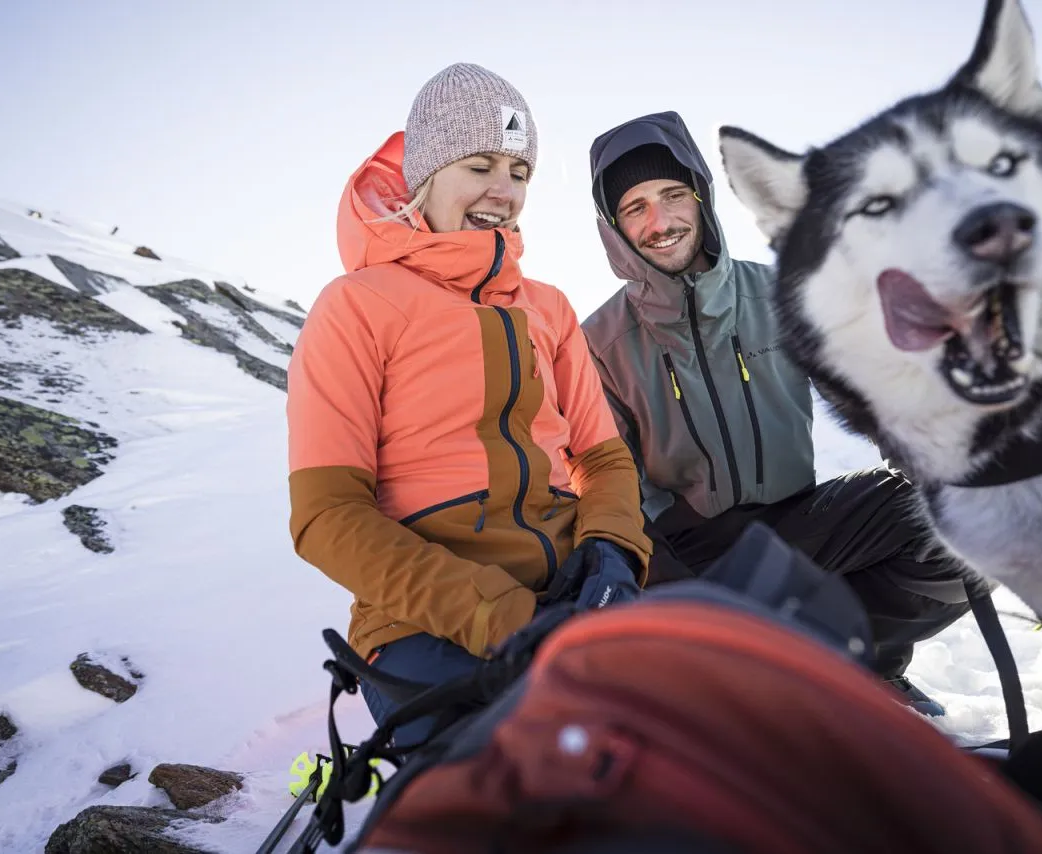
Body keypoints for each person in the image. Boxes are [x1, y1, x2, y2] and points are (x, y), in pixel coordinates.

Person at [286, 64, 652, 747]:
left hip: (572, 589)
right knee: (553, 771)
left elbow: (601, 457)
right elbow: (326, 517)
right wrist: (500, 615)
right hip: (424, 624)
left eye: (519, 173)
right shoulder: (357, 306)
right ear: (425, 174)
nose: (502, 191)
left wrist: (611, 557)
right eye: (480, 165)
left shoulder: (548, 307)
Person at [579, 110, 975, 716]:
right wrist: (668, 587)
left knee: (964, 514)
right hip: (692, 549)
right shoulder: (598, 344)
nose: (659, 222)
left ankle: (860, 663)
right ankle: (746, 662)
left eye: (672, 195)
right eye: (635, 208)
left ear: (701, 197)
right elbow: (611, 482)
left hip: (799, 518)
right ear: (613, 227)